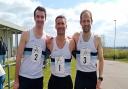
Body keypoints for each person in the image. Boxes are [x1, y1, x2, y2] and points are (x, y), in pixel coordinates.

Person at [13, 6, 48, 89]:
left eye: (42, 17)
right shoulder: (26, 34)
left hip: (38, 79)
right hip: (24, 77)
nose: (40, 19)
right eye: (38, 16)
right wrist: (16, 80)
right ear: (34, 18)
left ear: (45, 19)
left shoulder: (46, 38)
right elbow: (18, 58)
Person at [73, 10, 104, 89]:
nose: (86, 23)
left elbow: (101, 59)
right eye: (84, 21)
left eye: (88, 21)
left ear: (91, 21)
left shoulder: (97, 38)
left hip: (92, 76)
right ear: (80, 22)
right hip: (80, 76)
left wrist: (100, 78)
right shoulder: (76, 36)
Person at [47, 15, 75, 89]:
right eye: (58, 24)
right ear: (55, 26)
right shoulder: (50, 42)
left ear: (66, 26)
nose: (60, 26)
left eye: (62, 23)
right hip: (53, 81)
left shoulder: (72, 43)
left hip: (67, 82)